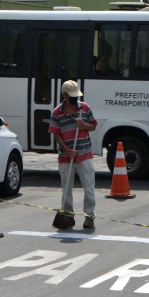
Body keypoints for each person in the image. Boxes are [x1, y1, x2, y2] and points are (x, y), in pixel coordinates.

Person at [48, 80, 98, 229]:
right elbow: (56, 134)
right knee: (66, 188)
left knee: (89, 187)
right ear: (64, 95)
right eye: (72, 96)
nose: (75, 99)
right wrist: (67, 150)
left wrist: (84, 125)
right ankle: (68, 216)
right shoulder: (57, 112)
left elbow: (94, 126)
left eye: (77, 96)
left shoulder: (84, 108)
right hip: (66, 156)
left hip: (84, 154)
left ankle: (89, 216)